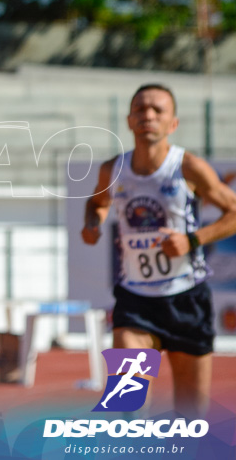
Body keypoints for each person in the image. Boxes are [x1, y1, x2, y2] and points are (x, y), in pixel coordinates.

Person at [81, 84, 236, 418]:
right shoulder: (113, 169)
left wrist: (192, 240)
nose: (147, 115)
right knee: (126, 405)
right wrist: (93, 223)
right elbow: (97, 202)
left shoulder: (188, 166)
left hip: (186, 298)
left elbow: (234, 213)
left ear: (173, 124)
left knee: (190, 417)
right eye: (140, 109)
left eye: (157, 110)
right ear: (129, 119)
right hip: (135, 301)